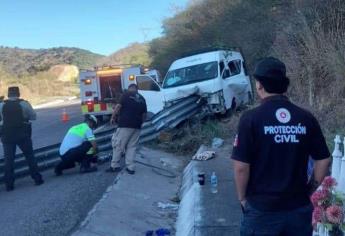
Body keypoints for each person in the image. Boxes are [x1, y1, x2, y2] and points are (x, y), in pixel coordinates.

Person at [231, 57, 331, 236]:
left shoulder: (250, 119)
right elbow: (323, 159)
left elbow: (241, 168)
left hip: (262, 211)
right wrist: (311, 188)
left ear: (259, 85)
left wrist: (242, 198)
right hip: (298, 209)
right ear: (285, 85)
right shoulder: (305, 118)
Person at [0, 86, 44, 191]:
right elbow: (34, 117)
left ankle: (9, 185)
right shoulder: (24, 104)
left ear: (8, 94)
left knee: (9, 160)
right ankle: (37, 179)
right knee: (30, 157)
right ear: (18, 94)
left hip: (7, 136)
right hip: (22, 134)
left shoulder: (1, 105)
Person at [106, 83, 147, 175]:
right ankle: (130, 167)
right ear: (137, 89)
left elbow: (118, 107)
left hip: (125, 125)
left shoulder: (126, 95)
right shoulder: (142, 98)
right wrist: (140, 123)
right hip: (137, 127)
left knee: (118, 145)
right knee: (132, 147)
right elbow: (145, 114)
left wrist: (113, 117)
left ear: (129, 88)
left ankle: (114, 166)